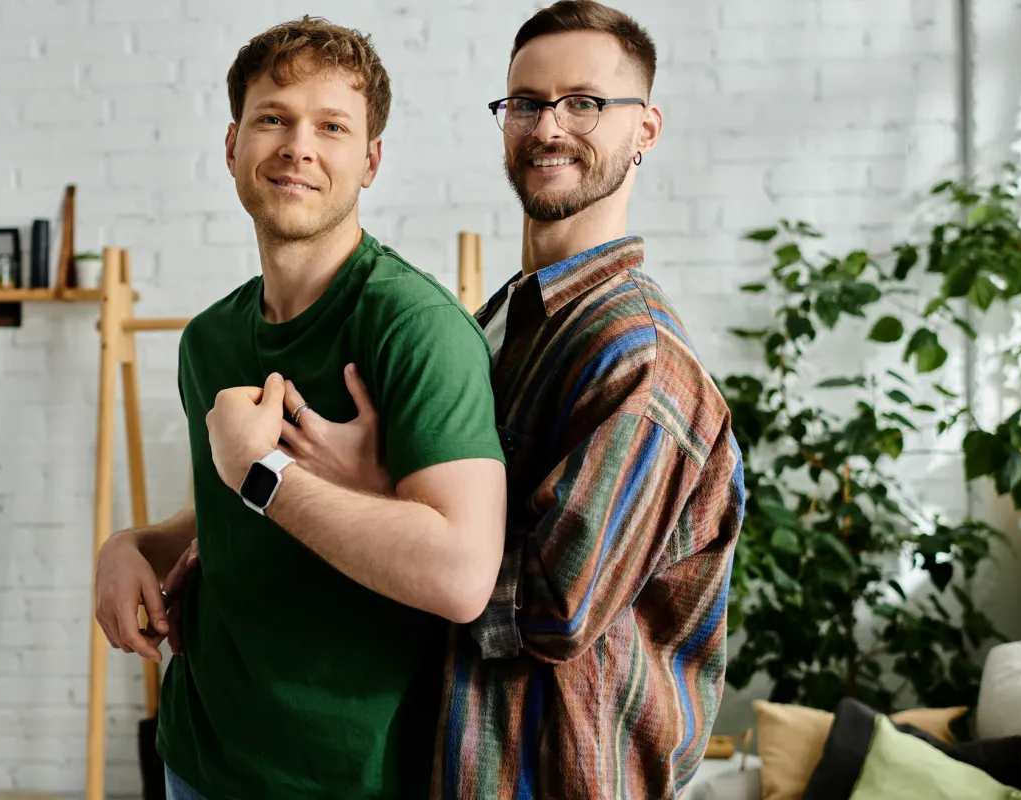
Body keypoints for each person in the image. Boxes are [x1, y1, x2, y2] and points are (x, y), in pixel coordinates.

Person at [285, 2, 745, 797]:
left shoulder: (642, 363)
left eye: (585, 104)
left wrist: (372, 491)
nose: (548, 127)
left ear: (646, 129)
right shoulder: (499, 320)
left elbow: (550, 610)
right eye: (526, 103)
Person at [90, 16, 508, 800]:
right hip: (200, 753)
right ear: (232, 145)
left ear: (371, 160)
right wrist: (131, 544)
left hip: (349, 776)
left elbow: (460, 573)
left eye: (332, 126)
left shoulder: (415, 328)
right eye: (272, 118)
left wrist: (262, 472)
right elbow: (229, 510)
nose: (297, 146)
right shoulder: (210, 338)